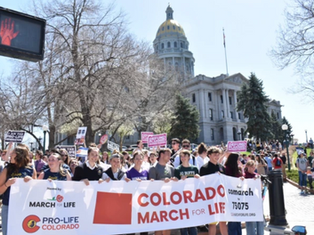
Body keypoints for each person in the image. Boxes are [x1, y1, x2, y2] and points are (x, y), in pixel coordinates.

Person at [0, 146, 36, 235]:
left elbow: (36, 191)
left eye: (13, 153)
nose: (10, 155)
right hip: (8, 205)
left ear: (19, 156)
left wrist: (31, 182)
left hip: (24, 206)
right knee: (7, 232)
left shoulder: (30, 169)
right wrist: (7, 184)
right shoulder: (7, 169)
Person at [200, 147, 227, 235]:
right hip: (211, 198)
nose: (217, 156)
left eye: (218, 154)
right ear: (209, 155)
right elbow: (202, 183)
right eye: (215, 154)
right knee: (212, 222)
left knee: (223, 221)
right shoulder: (205, 168)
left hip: (221, 198)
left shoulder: (222, 167)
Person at [149, 148, 176, 235]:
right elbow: (151, 184)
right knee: (159, 225)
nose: (169, 156)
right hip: (158, 201)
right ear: (162, 155)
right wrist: (161, 180)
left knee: (168, 224)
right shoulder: (153, 168)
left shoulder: (171, 168)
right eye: (167, 154)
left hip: (169, 200)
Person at [174, 150, 199, 235]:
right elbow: (175, 184)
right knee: (183, 223)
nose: (183, 158)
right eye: (181, 156)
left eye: (185, 156)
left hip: (192, 198)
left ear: (189, 157)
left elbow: (199, 183)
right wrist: (180, 180)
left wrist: (198, 178)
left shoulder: (194, 168)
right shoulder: (177, 169)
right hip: (182, 198)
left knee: (193, 222)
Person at [244, 160, 264, 235]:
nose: (253, 168)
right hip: (248, 200)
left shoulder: (257, 175)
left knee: (260, 219)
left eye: (254, 167)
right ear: (247, 167)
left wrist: (258, 181)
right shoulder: (244, 175)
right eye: (251, 167)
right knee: (250, 220)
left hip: (257, 199)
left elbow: (261, 188)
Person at [225, 153, 243, 235]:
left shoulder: (238, 168)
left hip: (238, 196)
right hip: (230, 195)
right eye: (238, 159)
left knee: (238, 218)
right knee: (232, 218)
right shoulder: (227, 169)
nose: (239, 160)